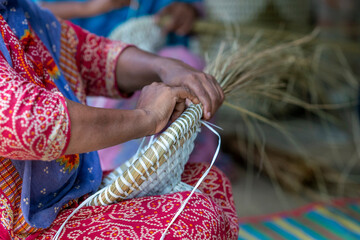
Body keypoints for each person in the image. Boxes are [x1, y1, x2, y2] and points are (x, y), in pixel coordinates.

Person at [0, 0, 238, 239]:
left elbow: (88, 54)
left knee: (209, 182)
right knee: (196, 218)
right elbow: (30, 123)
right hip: (20, 224)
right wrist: (146, 117)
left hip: (65, 195)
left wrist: (166, 67)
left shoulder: (15, 11)